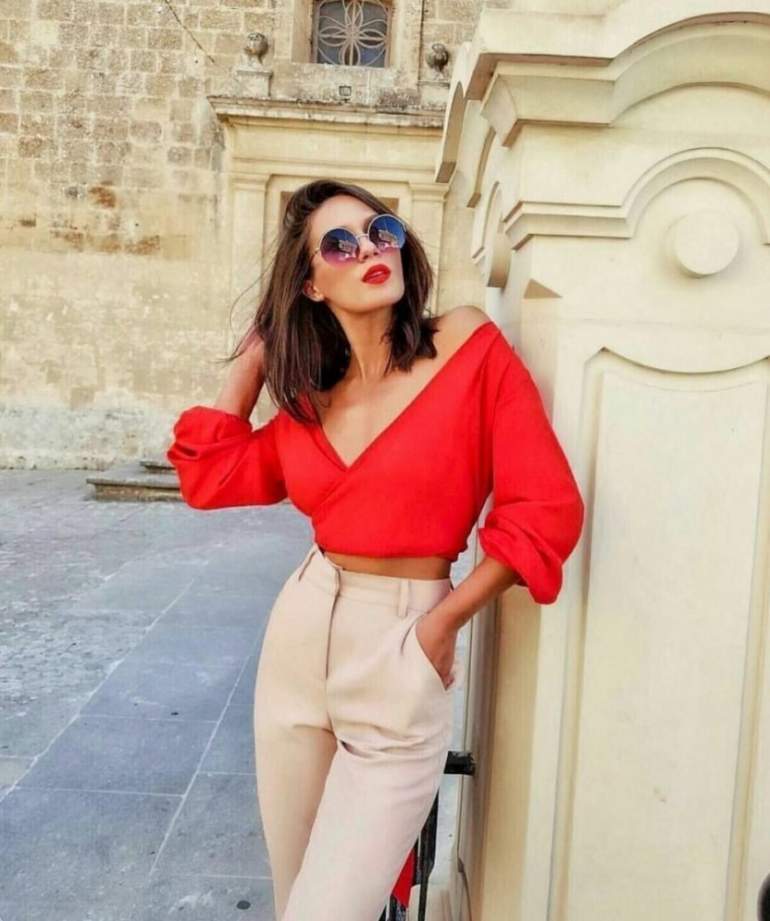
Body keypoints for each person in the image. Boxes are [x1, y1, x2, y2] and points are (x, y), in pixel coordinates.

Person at [165, 178, 585, 921]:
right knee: (295, 897)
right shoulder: (313, 399)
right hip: (301, 636)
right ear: (310, 284)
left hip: (402, 641)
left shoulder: (466, 345)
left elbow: (544, 507)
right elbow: (212, 476)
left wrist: (440, 624)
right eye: (339, 244)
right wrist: (255, 357)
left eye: (380, 229)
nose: (368, 249)